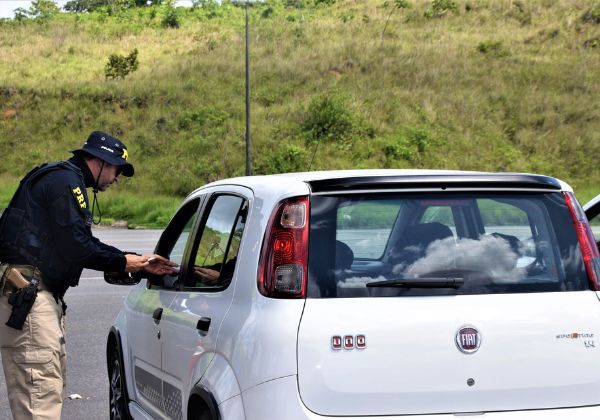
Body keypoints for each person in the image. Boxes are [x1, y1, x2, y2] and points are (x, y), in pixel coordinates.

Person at [0, 131, 177, 420]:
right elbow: (77, 249)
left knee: (45, 397)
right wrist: (123, 262)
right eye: (117, 169)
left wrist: (134, 260)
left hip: (36, 297)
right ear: (99, 161)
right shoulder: (64, 182)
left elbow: (83, 243)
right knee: (39, 406)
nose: (117, 178)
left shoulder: (64, 180)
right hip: (31, 299)